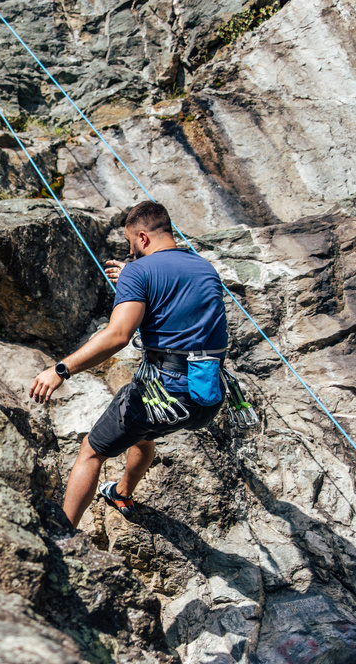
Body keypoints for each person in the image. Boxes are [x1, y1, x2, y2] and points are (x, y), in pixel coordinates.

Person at [29, 200, 228, 529]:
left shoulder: (140, 271)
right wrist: (137, 278)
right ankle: (121, 493)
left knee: (91, 451)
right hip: (206, 398)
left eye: (130, 243)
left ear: (143, 237)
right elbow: (178, 302)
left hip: (165, 396)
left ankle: (64, 539)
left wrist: (60, 369)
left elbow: (118, 335)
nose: (130, 250)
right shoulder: (205, 268)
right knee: (142, 435)